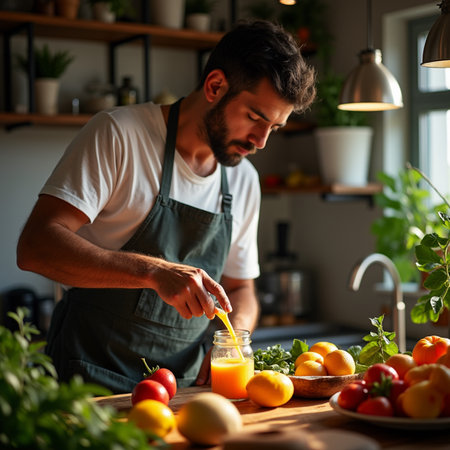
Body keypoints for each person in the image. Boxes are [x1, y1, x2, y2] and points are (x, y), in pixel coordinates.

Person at [17, 20, 316, 393]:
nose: (261, 141)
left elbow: (241, 289)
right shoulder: (119, 134)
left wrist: (234, 339)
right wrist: (153, 272)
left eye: (275, 127)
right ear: (215, 86)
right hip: (90, 382)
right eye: (255, 117)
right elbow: (35, 247)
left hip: (185, 390)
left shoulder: (243, 180)